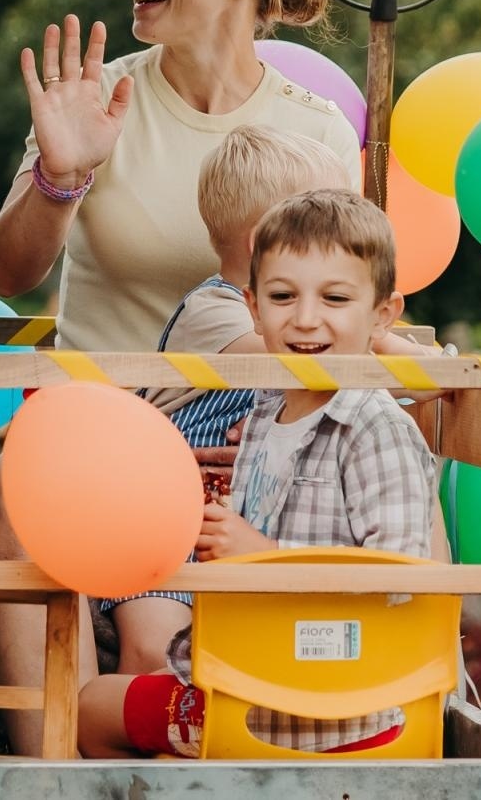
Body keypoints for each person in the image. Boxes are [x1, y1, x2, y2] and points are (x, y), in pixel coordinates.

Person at [0, 0, 361, 755]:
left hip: (245, 442)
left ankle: (252, 743)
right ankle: (56, 771)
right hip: (88, 432)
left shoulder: (317, 131)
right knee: (12, 492)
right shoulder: (100, 97)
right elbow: (7, 271)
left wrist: (269, 442)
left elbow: (347, 316)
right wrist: (60, 175)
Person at [77, 189, 439, 758]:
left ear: (383, 315)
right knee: (93, 706)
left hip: (330, 708)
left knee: (95, 713)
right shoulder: (265, 416)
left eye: (336, 297)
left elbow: (400, 592)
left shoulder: (375, 429)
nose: (305, 318)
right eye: (282, 295)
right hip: (247, 682)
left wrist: (262, 556)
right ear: (252, 306)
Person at [91, 126, 353, 676]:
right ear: (266, 242)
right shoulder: (214, 311)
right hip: (166, 511)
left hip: (248, 517)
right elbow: (306, 367)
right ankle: (131, 727)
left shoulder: (317, 330)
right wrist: (380, 339)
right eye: (328, 222)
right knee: (155, 651)